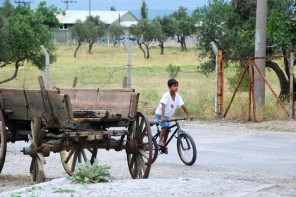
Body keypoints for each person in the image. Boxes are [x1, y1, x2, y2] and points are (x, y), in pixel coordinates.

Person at [155, 79, 193, 153]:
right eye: (174, 86)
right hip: (160, 114)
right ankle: (160, 141)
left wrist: (188, 115)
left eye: (177, 86)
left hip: (168, 116)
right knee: (165, 127)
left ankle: (164, 144)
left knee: (168, 130)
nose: (176, 87)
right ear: (169, 87)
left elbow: (183, 106)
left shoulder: (178, 97)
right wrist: (162, 116)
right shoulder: (166, 95)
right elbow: (163, 105)